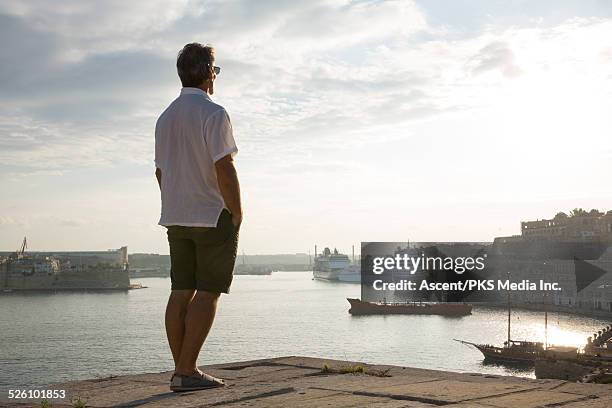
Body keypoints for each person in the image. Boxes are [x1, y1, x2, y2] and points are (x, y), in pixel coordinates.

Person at [154, 42, 242, 392]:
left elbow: (161, 172)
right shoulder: (214, 113)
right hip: (211, 214)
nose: (215, 77)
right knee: (207, 293)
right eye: (215, 70)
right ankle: (186, 371)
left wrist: (177, 201)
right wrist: (236, 211)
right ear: (208, 72)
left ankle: (182, 371)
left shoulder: (165, 117)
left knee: (180, 291)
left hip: (176, 216)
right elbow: (224, 166)